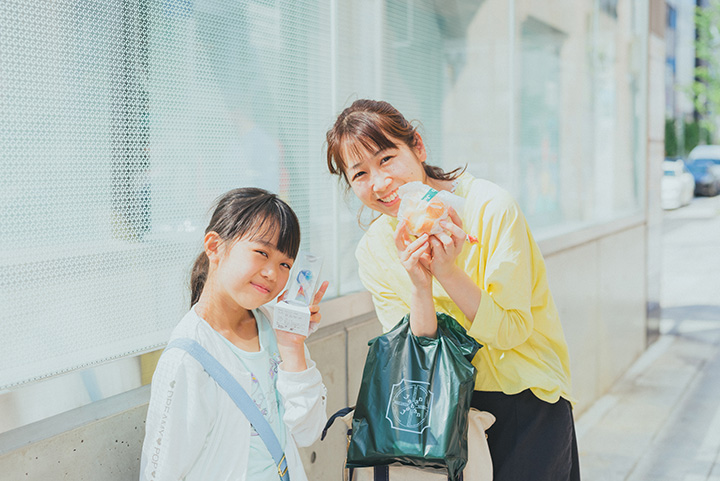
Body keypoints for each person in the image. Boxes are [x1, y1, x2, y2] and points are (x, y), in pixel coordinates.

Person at [325, 99, 580, 480]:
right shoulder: (376, 251)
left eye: (386, 159)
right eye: (359, 173)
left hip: (526, 403)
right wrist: (420, 285)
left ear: (418, 146)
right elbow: (416, 353)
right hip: (444, 415)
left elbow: (512, 330)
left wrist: (448, 272)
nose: (379, 183)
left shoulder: (491, 209)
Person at [140, 187, 329, 481]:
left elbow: (308, 431)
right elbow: (161, 472)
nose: (272, 273)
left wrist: (292, 347)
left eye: (284, 264)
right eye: (261, 253)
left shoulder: (273, 330)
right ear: (214, 246)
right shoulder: (187, 358)